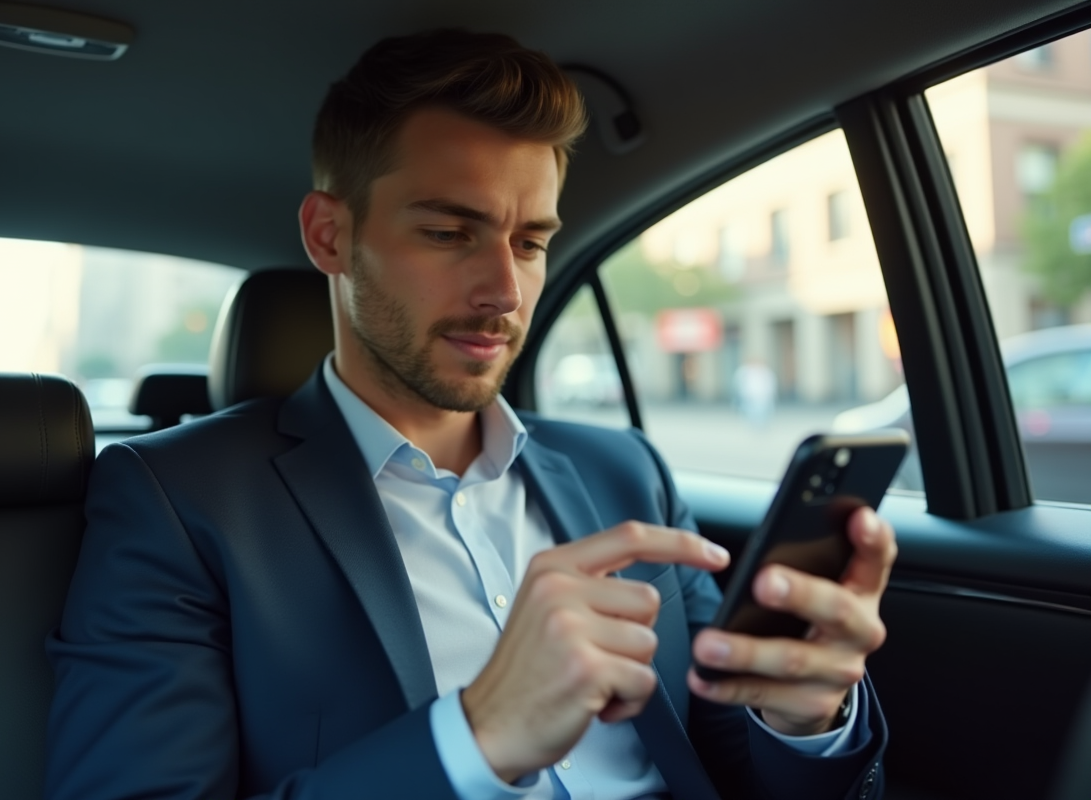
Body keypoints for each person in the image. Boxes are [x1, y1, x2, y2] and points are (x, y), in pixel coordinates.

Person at [45, 29, 892, 800]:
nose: (505, 291)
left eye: (530, 243)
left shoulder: (625, 470)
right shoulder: (177, 498)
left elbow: (726, 759)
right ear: (330, 236)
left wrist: (802, 718)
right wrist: (475, 738)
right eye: (451, 233)